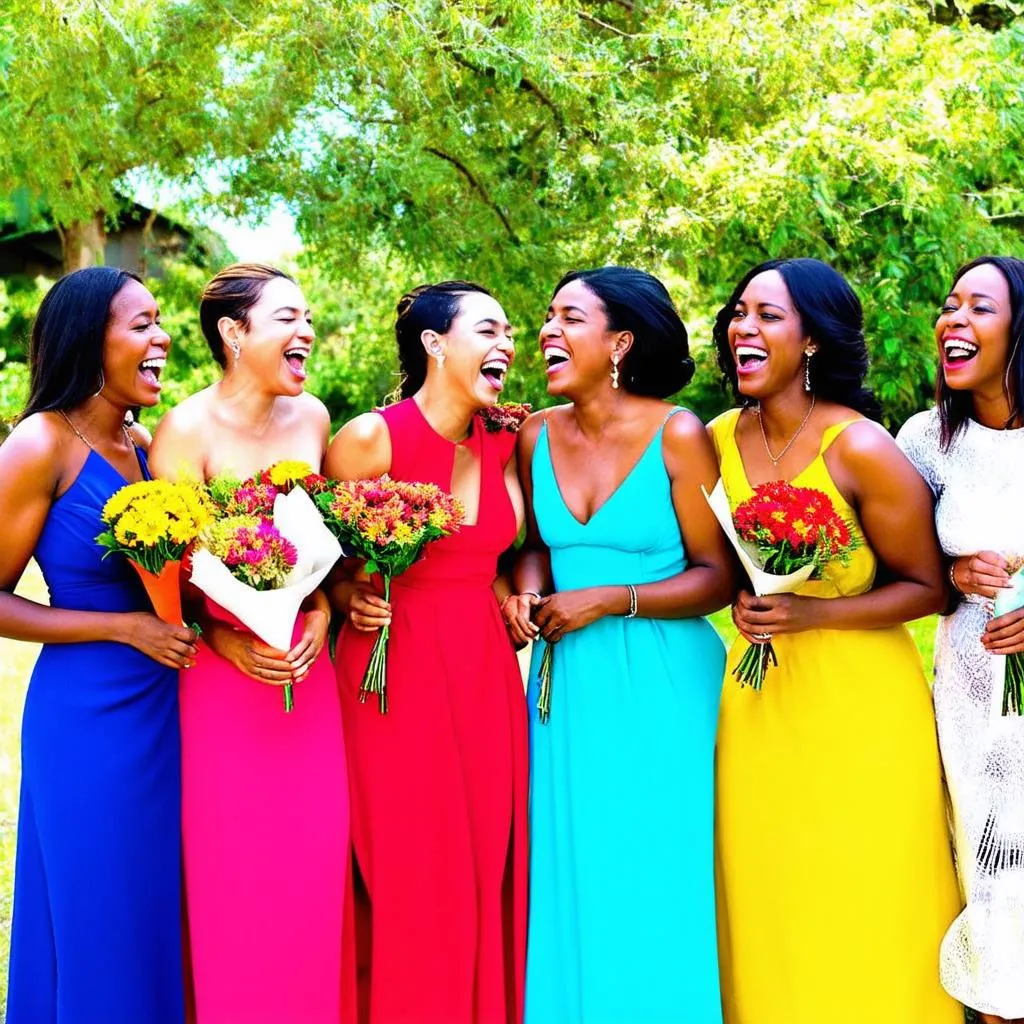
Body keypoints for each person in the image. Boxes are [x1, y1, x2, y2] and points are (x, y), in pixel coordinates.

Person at [709, 257, 961, 1024]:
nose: (743, 328)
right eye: (738, 313)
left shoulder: (861, 448)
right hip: (759, 705)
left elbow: (931, 585)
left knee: (867, 883)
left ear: (812, 339)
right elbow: (707, 563)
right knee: (767, 885)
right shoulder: (717, 436)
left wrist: (811, 614)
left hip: (862, 706)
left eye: (768, 316)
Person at [503, 266, 733, 1022]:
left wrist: (610, 598)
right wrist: (527, 590)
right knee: (574, 867)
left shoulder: (680, 434)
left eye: (569, 317)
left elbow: (718, 578)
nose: (547, 331)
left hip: (664, 684)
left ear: (620, 342)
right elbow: (533, 544)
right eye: (547, 315)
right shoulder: (535, 432)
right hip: (568, 687)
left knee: (656, 867)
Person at [149, 263, 349, 1023]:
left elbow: (321, 551)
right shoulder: (185, 430)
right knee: (234, 872)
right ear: (234, 333)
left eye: (307, 319)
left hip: (306, 675)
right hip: (224, 680)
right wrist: (227, 646)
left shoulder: (316, 420)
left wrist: (325, 616)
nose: (306, 333)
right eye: (288, 319)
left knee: (310, 865)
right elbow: (173, 576)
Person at [325, 281, 528, 1023]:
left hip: (481, 673)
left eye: (509, 330)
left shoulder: (509, 439)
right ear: (435, 344)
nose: (506, 342)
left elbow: (517, 550)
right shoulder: (370, 438)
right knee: (410, 862)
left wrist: (517, 591)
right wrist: (350, 600)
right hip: (392, 670)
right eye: (487, 328)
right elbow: (320, 567)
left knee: (483, 859)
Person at [3, 267, 195, 1022]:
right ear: (92, 339)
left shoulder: (148, 443)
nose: (162, 338)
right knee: (98, 911)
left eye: (160, 321)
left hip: (170, 703)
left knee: (158, 906)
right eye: (142, 324)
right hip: (87, 717)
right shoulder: (38, 445)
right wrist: (121, 626)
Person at [897, 255, 1024, 1024]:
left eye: (979, 307)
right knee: (991, 873)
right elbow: (896, 570)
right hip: (973, 708)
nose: (954, 321)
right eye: (949, 306)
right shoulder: (924, 442)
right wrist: (950, 572)